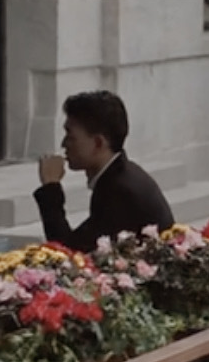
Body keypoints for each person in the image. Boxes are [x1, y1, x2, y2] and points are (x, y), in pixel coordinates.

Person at [36, 90, 175, 250]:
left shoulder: (120, 191)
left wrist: (50, 187)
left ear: (98, 143)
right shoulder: (118, 175)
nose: (63, 144)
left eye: (71, 136)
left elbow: (68, 252)